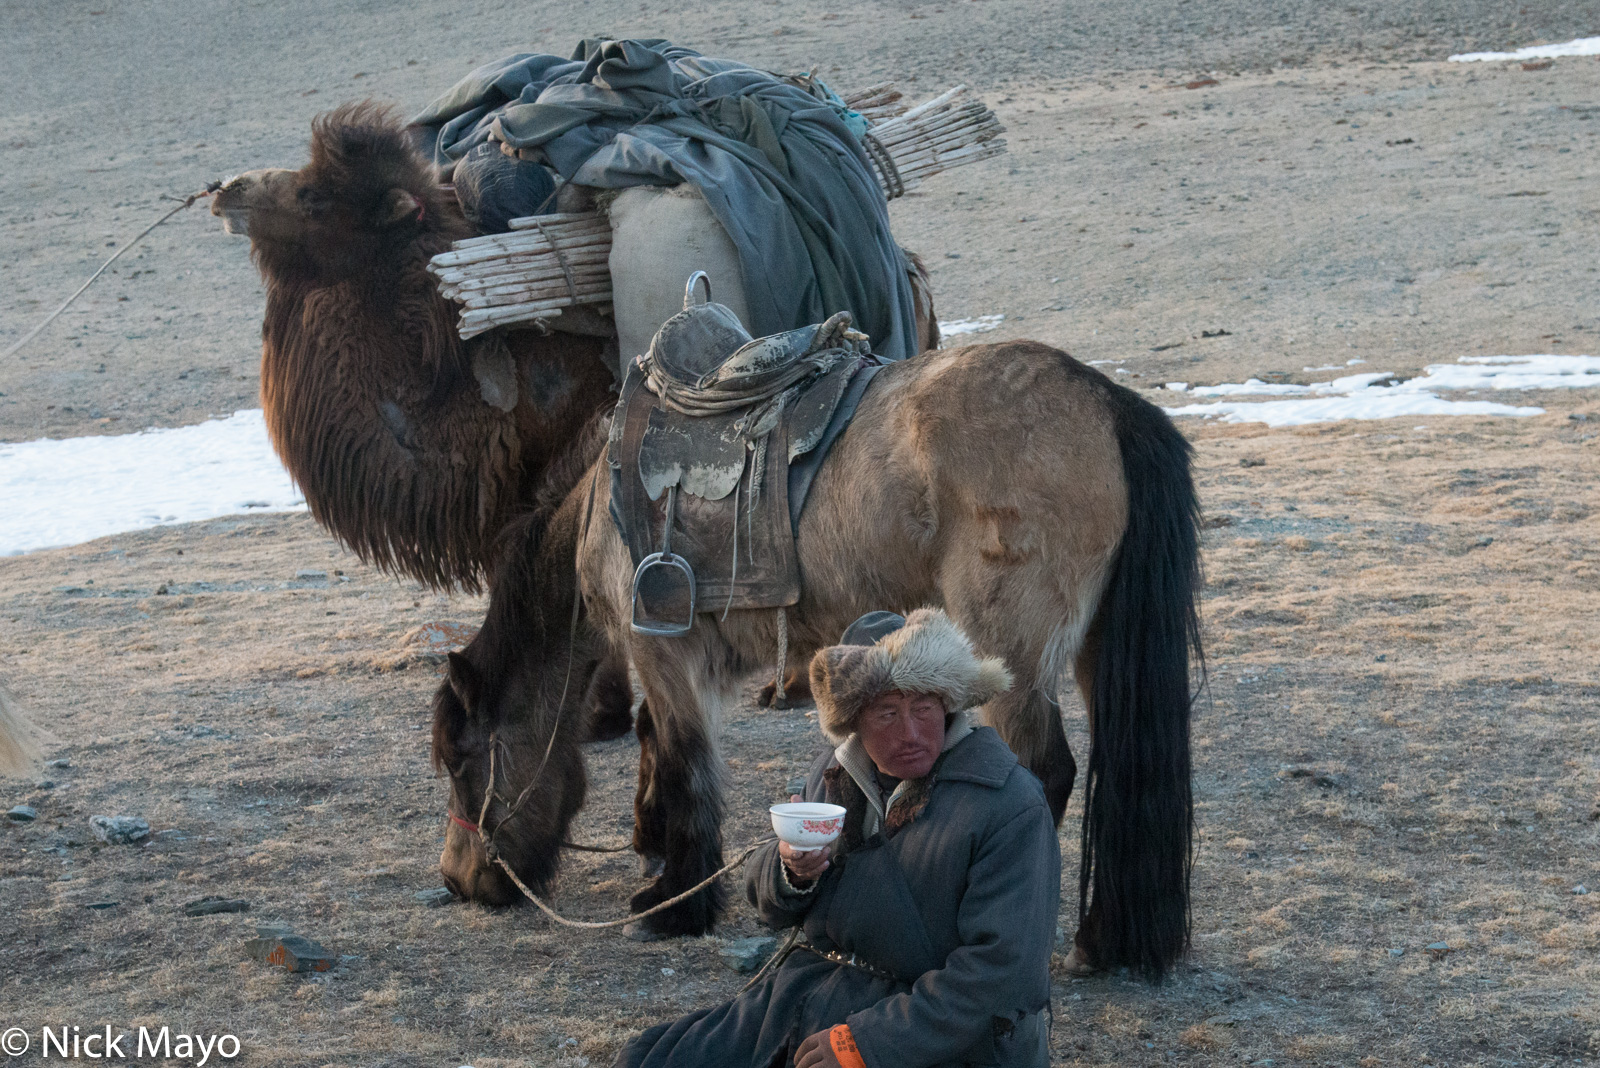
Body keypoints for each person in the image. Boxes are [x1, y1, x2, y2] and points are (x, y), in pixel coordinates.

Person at [614, 608, 1060, 1068]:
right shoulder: (835, 773)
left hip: (937, 1032)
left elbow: (1002, 976)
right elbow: (768, 905)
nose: (910, 732)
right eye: (887, 712)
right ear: (853, 718)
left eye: (924, 708)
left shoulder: (1007, 802)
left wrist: (866, 1045)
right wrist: (791, 872)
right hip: (815, 989)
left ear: (948, 703)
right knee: (649, 1058)